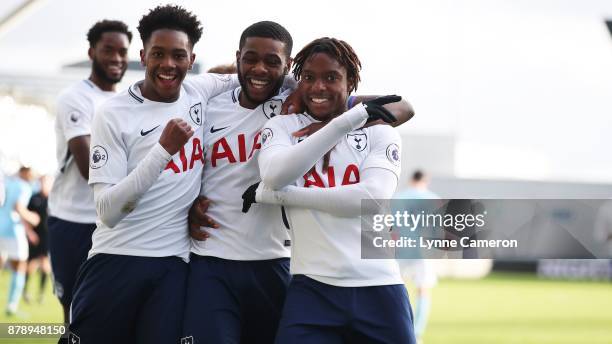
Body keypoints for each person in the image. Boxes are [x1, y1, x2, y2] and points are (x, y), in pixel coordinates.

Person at [185, 23, 415, 343]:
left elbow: (373, 193)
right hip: (284, 279)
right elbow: (269, 175)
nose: (319, 86)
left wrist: (278, 195)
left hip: (353, 278)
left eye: (332, 78)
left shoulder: (369, 127)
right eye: (309, 78)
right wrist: (187, 205)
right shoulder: (274, 122)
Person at [64, 5, 242, 344]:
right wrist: (162, 151)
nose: (168, 65)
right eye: (158, 54)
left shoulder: (198, 91)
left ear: (192, 59)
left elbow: (256, 73)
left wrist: (351, 103)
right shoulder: (113, 114)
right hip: (115, 260)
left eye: (178, 55)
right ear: (143, 55)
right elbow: (108, 211)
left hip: (173, 266)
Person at [47, 19, 132, 323]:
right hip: (73, 220)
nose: (116, 58)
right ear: (91, 51)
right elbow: (89, 168)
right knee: (73, 312)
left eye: (123, 51)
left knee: (107, 312)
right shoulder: (76, 97)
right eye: (108, 50)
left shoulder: (127, 101)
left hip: (111, 223)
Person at [394, 170, 440, 343]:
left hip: (402, 248)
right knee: (423, 290)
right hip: (423, 250)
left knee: (397, 290)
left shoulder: (399, 197)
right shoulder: (432, 198)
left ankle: (399, 328)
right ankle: (417, 333)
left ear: (411, 179)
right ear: (425, 181)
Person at [0, 167, 40, 316]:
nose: (33, 174)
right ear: (24, 171)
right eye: (30, 170)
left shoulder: (8, 182)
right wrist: (33, 218)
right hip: (12, 230)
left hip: (1, 227)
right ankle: (12, 305)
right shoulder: (23, 186)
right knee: (20, 267)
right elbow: (18, 208)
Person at [24, 175, 52, 304]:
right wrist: (29, 233)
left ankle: (40, 294)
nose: (43, 185)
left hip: (48, 236)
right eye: (42, 182)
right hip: (35, 236)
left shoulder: (53, 199)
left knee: (45, 265)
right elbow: (26, 217)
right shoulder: (34, 198)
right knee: (31, 264)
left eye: (46, 182)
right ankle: (25, 291)